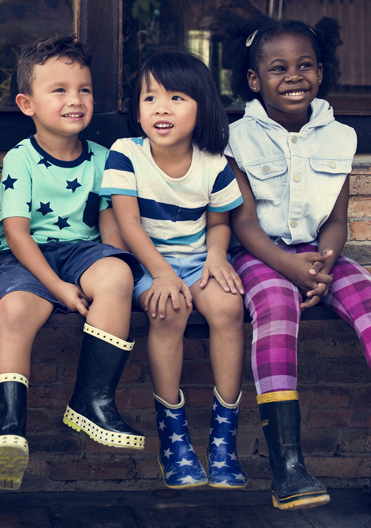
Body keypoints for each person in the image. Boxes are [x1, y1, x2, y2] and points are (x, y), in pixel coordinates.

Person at [0, 36, 144, 492]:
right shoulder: (22, 158)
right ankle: (9, 430)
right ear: (26, 103)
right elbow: (16, 233)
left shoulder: (104, 159)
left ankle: (91, 401)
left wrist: (119, 269)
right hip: (23, 255)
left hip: (81, 252)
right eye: (59, 90)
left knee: (117, 274)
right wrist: (56, 287)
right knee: (14, 312)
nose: (75, 100)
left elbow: (110, 230)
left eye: (85, 89)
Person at [222, 14, 368, 510]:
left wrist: (324, 265)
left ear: (321, 72)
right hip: (260, 255)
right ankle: (288, 464)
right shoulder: (236, 137)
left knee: (369, 297)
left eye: (305, 65)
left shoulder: (340, 137)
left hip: (318, 255)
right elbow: (243, 225)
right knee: (278, 307)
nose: (293, 77)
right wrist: (291, 267)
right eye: (278, 68)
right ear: (254, 80)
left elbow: (336, 217)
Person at [103, 50, 247, 490]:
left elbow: (220, 222)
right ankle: (174, 438)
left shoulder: (213, 163)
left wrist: (217, 257)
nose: (161, 108)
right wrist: (162, 273)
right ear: (138, 109)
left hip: (197, 260)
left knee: (227, 308)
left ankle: (225, 439)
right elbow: (127, 224)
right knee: (169, 311)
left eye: (177, 97)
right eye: (150, 98)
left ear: (202, 106)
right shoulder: (126, 153)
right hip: (145, 263)